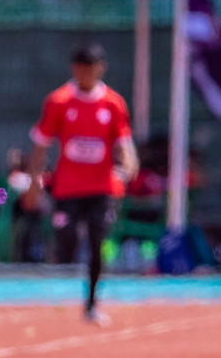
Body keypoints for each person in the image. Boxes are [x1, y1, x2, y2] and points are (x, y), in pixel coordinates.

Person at [23, 43, 137, 325]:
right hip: (68, 188)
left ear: (101, 68)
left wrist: (128, 167)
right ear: (74, 69)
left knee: (98, 242)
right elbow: (41, 147)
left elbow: (125, 145)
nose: (86, 74)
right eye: (81, 68)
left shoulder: (113, 103)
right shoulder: (59, 102)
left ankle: (92, 302)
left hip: (101, 187)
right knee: (67, 239)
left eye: (92, 68)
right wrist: (33, 184)